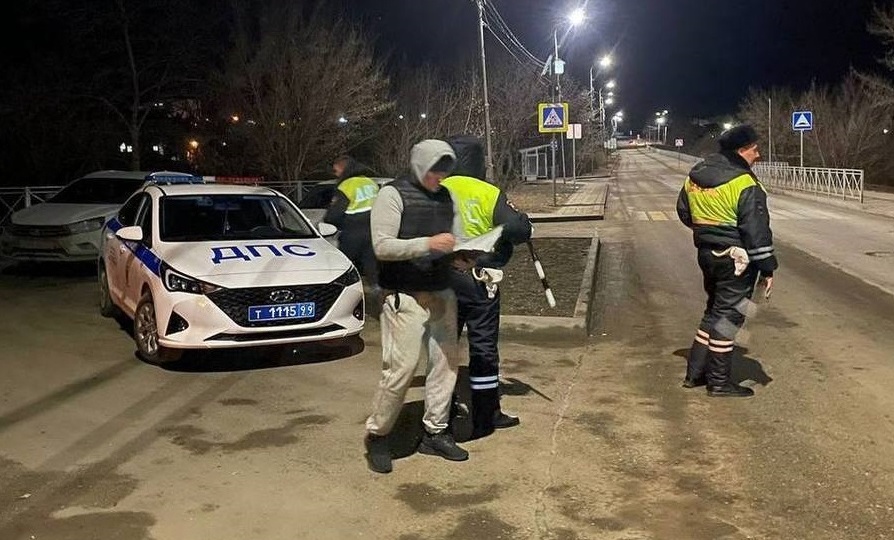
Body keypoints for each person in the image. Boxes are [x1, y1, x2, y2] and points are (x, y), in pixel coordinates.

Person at [363, 139, 468, 474]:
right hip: (404, 296)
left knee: (445, 365)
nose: (440, 175)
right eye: (435, 167)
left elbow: (457, 238)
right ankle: (378, 435)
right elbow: (382, 246)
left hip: (442, 292)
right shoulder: (392, 195)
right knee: (401, 369)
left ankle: (435, 431)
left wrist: (465, 256)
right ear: (420, 164)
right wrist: (428, 244)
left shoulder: (447, 197)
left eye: (445, 168)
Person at [676, 124, 778, 398]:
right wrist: (768, 267)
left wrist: (709, 232)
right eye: (755, 150)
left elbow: (684, 212)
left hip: (707, 254)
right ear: (741, 150)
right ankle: (719, 383)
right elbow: (755, 231)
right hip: (738, 260)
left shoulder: (695, 177)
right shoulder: (744, 182)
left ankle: (695, 374)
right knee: (730, 317)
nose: (758, 155)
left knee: (713, 311)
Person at [442, 135, 533, 439]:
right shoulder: (486, 192)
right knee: (482, 349)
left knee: (442, 348)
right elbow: (518, 230)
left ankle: (442, 411)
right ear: (479, 162)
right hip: (479, 282)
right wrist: (522, 220)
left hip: (441, 281)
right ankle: (485, 416)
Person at [323, 155, 380, 286]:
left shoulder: (346, 186)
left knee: (343, 267)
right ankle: (378, 298)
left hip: (352, 232)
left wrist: (333, 222)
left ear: (343, 169)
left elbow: (333, 216)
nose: (335, 174)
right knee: (371, 267)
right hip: (373, 231)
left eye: (336, 171)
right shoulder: (370, 183)